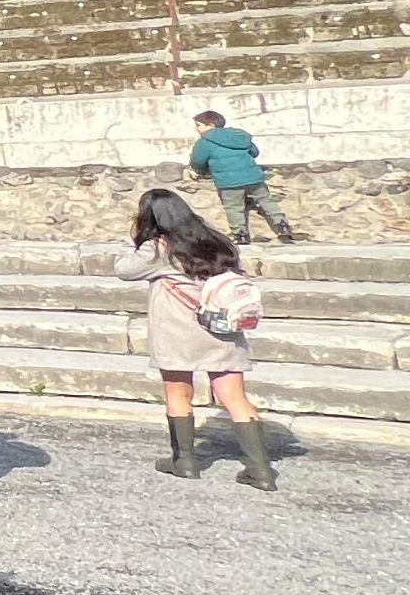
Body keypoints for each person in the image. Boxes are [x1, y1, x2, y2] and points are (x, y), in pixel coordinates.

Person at [119, 188, 276, 490]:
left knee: (179, 395)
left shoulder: (158, 248)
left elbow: (124, 270)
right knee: (234, 398)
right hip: (221, 329)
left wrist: (131, 240)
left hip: (178, 332)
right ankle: (261, 469)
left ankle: (185, 461)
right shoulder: (215, 240)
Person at [188, 109, 294, 244]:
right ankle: (283, 227)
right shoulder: (238, 136)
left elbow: (198, 161)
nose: (196, 129)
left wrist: (202, 171)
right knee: (266, 201)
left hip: (228, 182)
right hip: (253, 177)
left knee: (234, 207)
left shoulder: (204, 142)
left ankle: (241, 235)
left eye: (199, 125)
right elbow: (254, 152)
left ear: (210, 125)